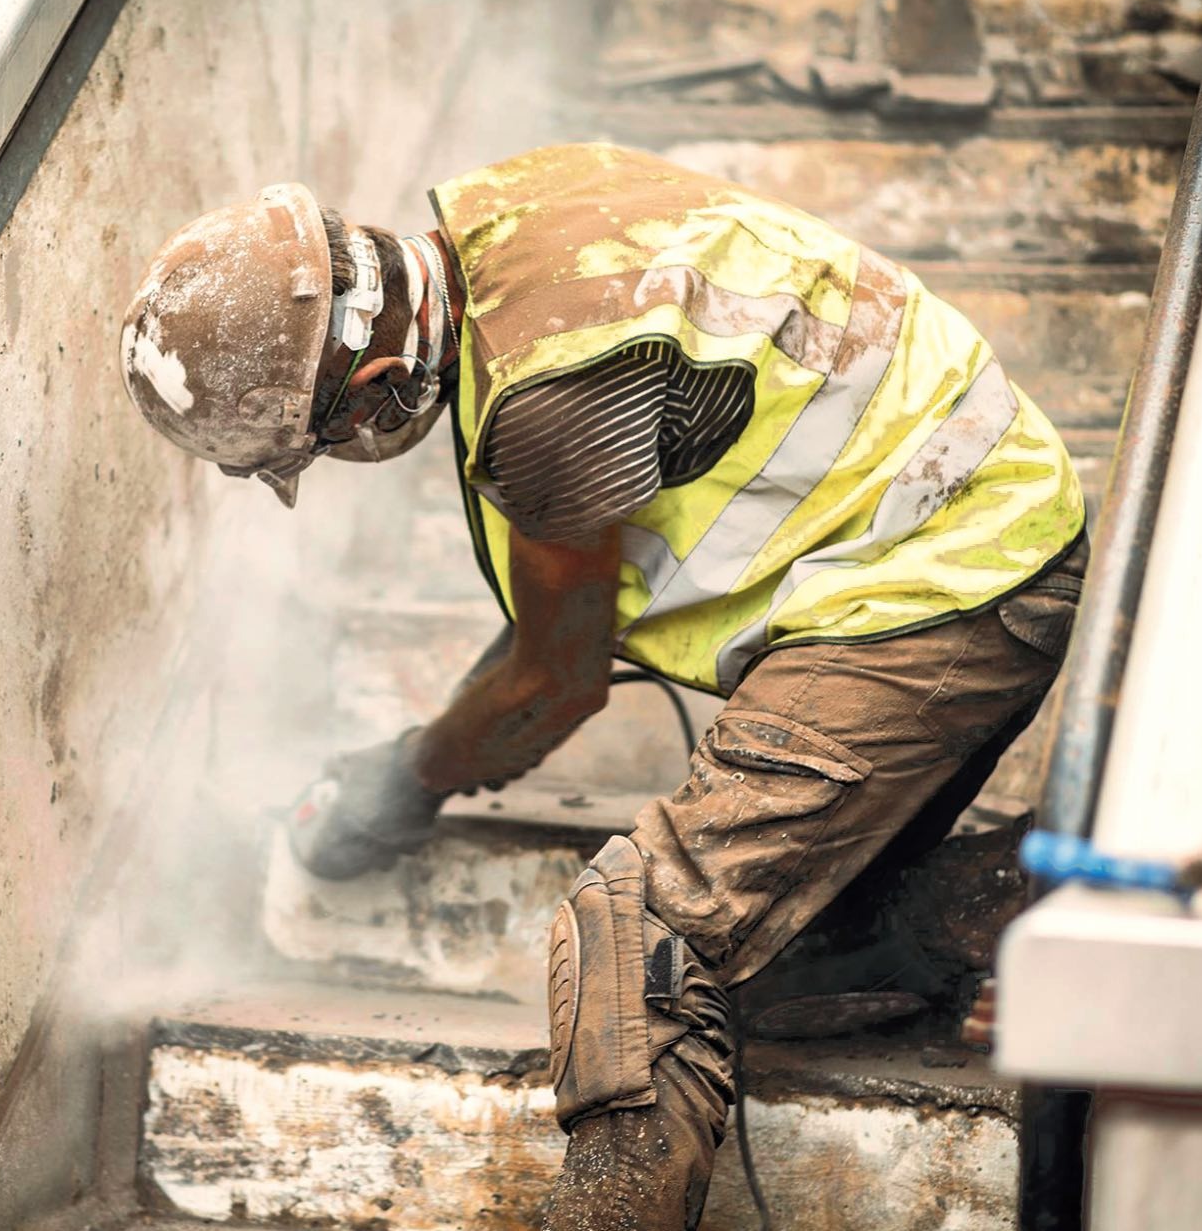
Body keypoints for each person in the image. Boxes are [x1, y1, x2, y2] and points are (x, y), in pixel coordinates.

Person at [120, 142, 1084, 1230]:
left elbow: (557, 679)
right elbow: (574, 604)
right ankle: (1053, 897)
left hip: (934, 583)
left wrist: (403, 781)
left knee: (643, 928)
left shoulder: (543, 404)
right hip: (972, 533)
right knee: (784, 953)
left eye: (325, 439)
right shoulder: (520, 208)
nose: (347, 450)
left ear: (376, 391)